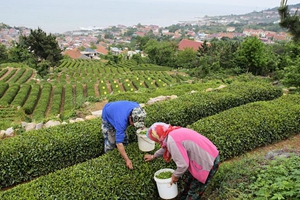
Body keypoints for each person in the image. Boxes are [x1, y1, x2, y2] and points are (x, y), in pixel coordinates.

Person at [144, 122, 220, 199]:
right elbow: (165, 147)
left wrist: (175, 175)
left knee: (194, 191)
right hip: (207, 153)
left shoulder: (172, 140)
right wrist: (153, 156)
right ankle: (182, 197)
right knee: (188, 181)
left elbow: (183, 165)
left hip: (208, 161)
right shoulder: (171, 132)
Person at [102, 100, 146, 169]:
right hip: (108, 115)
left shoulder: (137, 109)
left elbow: (140, 120)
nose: (135, 126)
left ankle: (123, 151)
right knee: (111, 142)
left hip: (117, 111)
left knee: (124, 138)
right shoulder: (121, 122)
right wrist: (127, 160)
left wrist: (142, 126)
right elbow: (119, 143)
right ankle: (109, 158)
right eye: (134, 124)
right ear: (130, 118)